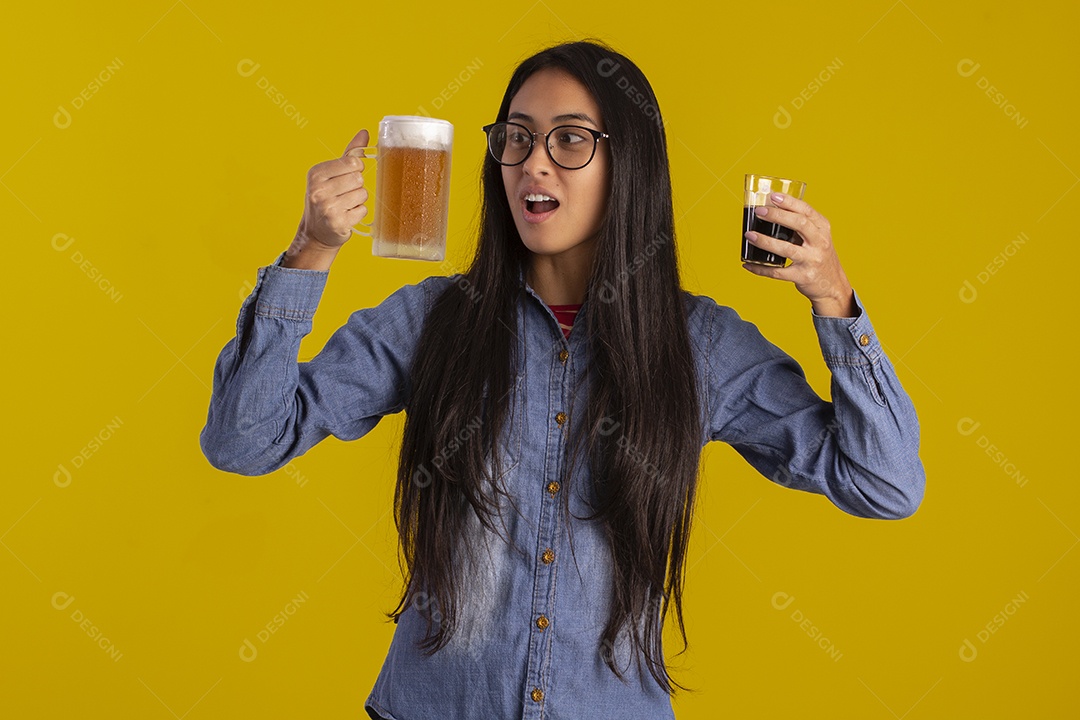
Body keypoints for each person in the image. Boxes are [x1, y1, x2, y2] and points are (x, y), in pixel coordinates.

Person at [200, 39, 925, 720]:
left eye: (570, 139)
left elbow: (884, 482)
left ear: (628, 165)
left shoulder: (698, 345)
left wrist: (836, 301)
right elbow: (244, 440)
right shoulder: (432, 319)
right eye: (516, 137)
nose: (533, 163)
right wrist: (310, 251)